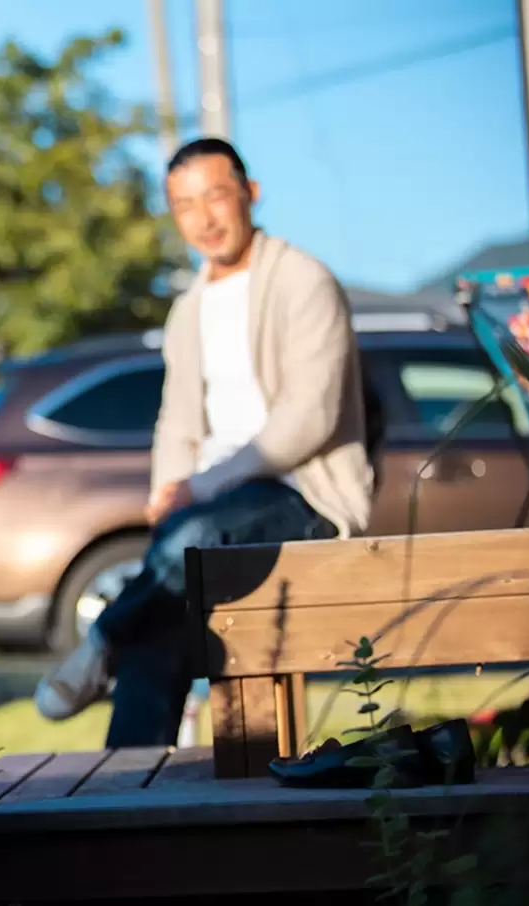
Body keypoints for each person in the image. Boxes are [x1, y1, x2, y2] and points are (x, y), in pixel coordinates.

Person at [34, 137, 376, 747]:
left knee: (188, 547)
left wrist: (199, 489)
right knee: (169, 603)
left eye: (216, 195)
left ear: (250, 193)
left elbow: (310, 419)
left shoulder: (304, 281)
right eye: (185, 205)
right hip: (212, 506)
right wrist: (170, 491)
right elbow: (178, 422)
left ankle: (101, 642)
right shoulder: (188, 309)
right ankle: (130, 790)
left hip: (303, 497)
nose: (205, 218)